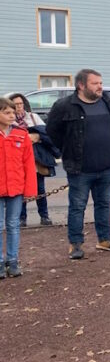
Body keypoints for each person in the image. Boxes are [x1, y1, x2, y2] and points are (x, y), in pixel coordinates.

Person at [47, 68, 110, 259]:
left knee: (103, 204)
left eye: (101, 83)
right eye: (95, 83)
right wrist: (67, 150)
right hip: (80, 169)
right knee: (77, 207)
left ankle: (104, 240)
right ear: (81, 85)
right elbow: (52, 131)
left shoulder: (107, 102)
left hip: (106, 167)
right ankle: (76, 245)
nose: (100, 87)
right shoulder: (65, 105)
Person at [0, 97, 37, 278]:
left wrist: (30, 190)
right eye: (7, 112)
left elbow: (28, 164)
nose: (11, 116)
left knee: (13, 225)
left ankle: (12, 260)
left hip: (15, 187)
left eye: (13, 112)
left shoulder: (21, 135)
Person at [9, 93, 56, 227]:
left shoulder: (33, 118)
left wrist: (37, 137)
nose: (18, 107)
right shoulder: (9, 121)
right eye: (15, 104)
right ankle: (22, 218)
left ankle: (44, 216)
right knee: (21, 189)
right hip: (17, 160)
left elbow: (47, 135)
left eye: (20, 103)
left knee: (40, 188)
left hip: (36, 159)